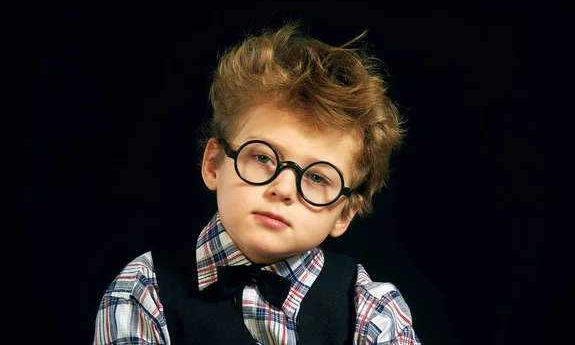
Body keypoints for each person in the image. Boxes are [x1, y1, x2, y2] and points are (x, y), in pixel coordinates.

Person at [92, 22, 422, 344]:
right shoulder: (144, 291)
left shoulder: (372, 309)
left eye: (318, 177)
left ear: (344, 214)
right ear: (213, 164)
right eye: (263, 158)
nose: (283, 189)